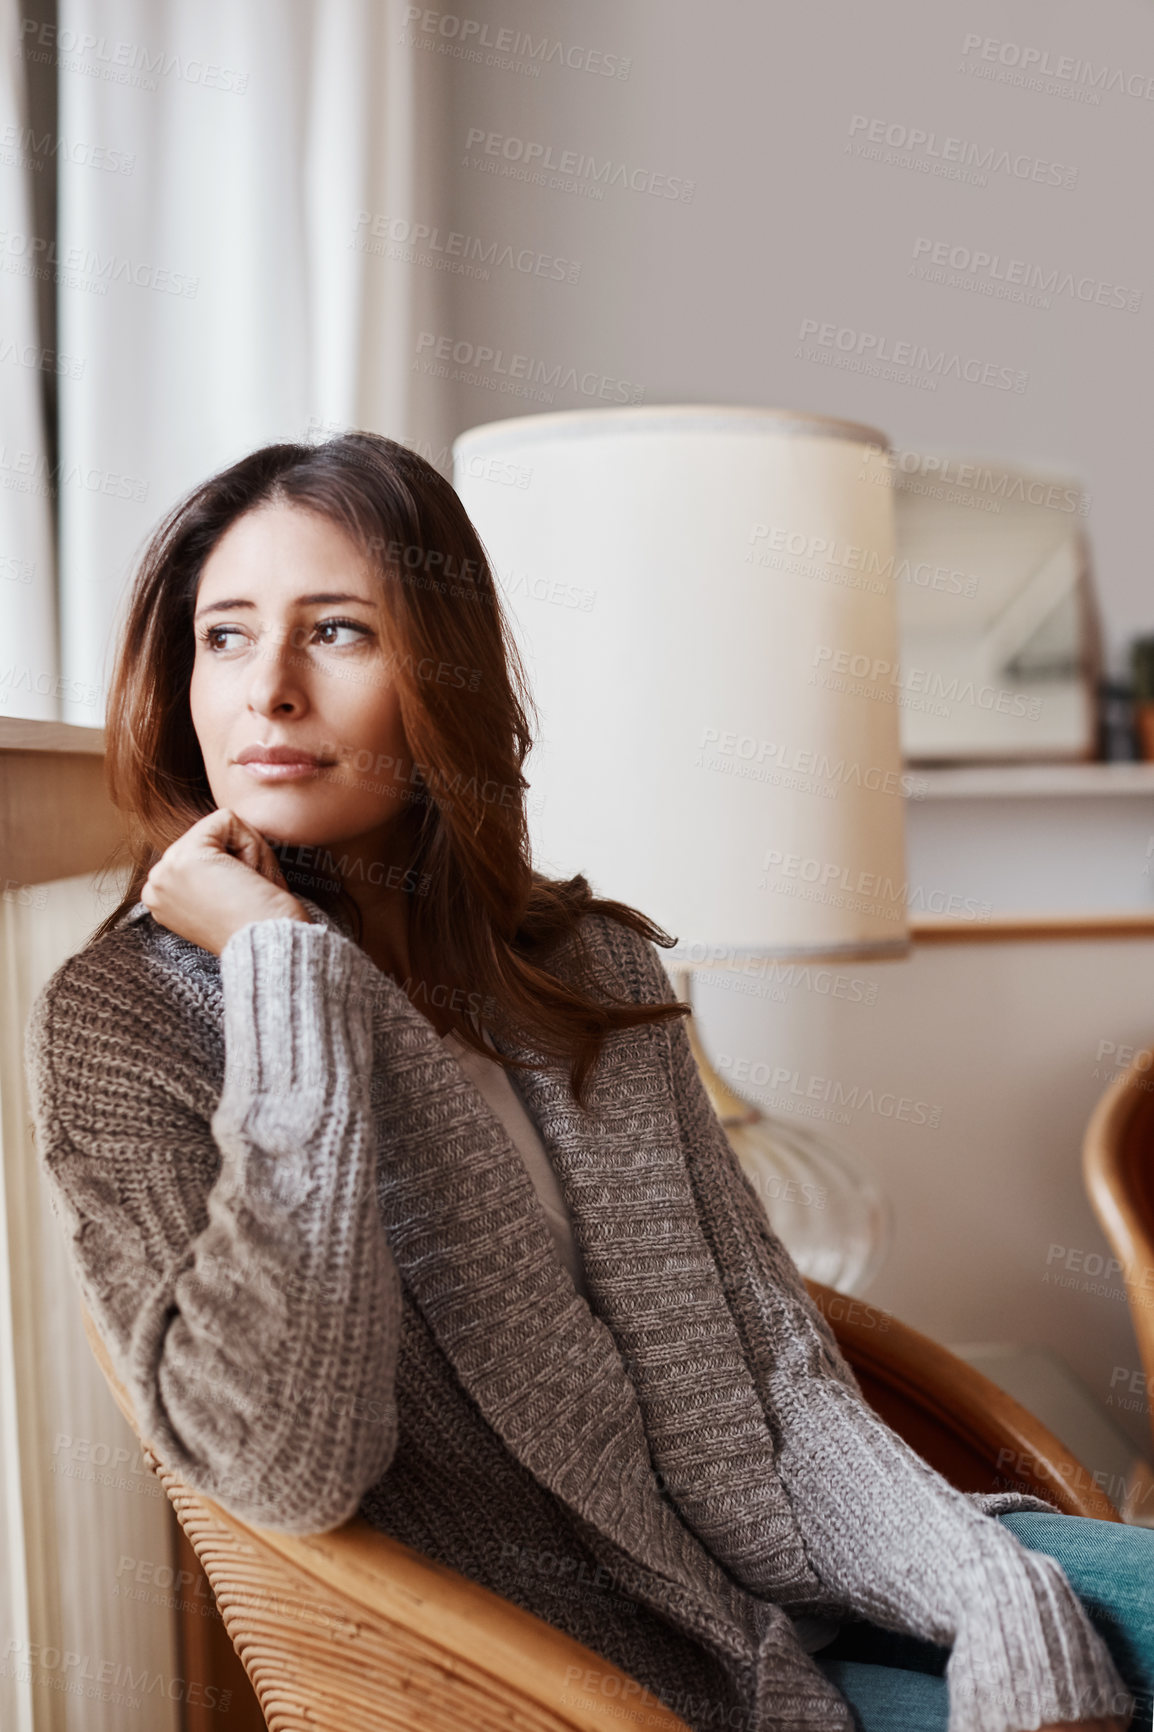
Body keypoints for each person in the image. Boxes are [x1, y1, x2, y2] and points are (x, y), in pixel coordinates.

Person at [23, 432, 1152, 1732]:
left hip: (790, 1577)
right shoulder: (126, 1023)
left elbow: (768, 1364)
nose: (267, 690)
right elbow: (280, 1459)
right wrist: (288, 978)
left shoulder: (585, 963)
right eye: (224, 635)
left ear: (436, 673)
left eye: (335, 632)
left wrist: (985, 1590)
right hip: (573, 1677)